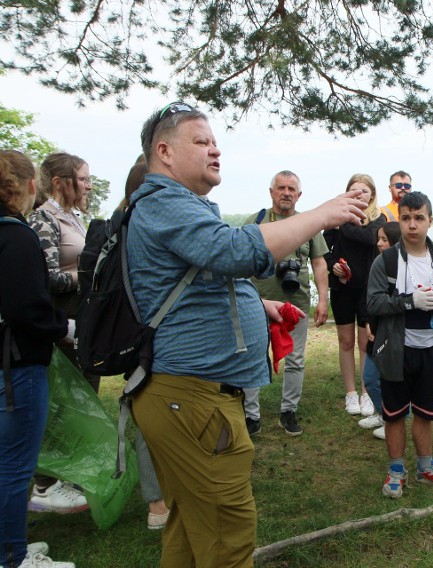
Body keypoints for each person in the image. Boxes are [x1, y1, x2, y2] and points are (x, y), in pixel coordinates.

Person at [127, 101, 365, 567]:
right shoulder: (164, 202)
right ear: (164, 151)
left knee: (191, 526)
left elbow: (198, 276)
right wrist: (321, 214)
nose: (216, 150)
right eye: (201, 141)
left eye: (215, 141)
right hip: (193, 398)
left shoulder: (177, 205)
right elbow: (235, 249)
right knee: (226, 535)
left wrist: (258, 303)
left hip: (185, 396)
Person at [1, 150, 75, 568]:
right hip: (18, 364)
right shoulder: (17, 234)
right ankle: (11, 556)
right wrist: (63, 328)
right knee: (15, 467)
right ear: (30, 185)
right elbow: (27, 307)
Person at [366, 191, 433, 499]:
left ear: (430, 221)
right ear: (400, 220)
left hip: (431, 350)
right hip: (396, 350)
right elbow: (373, 302)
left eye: (419, 218)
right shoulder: (387, 260)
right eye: (406, 218)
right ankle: (396, 470)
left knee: (425, 411)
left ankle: (425, 466)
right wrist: (409, 302)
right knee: (393, 413)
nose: (412, 225)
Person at [26, 152, 93, 515]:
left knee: (83, 400)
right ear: (59, 182)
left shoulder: (74, 218)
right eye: (82, 179)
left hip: (83, 317)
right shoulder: (43, 220)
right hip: (60, 323)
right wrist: (88, 277)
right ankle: (46, 483)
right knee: (62, 404)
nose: (88, 185)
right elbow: (46, 277)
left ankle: (73, 477)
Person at [242, 170, 330, 437]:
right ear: (271, 192)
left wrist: (323, 299)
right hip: (257, 302)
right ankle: (250, 415)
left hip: (297, 303)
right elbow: (240, 260)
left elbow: (319, 262)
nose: (286, 193)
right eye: (281, 187)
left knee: (296, 360)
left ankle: (288, 411)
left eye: (292, 189)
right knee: (253, 358)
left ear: (299, 195)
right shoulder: (255, 222)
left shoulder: (308, 224)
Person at [120, 155, 170, 530]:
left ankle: (160, 499)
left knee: (147, 413)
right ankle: (158, 504)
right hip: (149, 337)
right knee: (152, 419)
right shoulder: (141, 223)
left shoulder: (116, 222)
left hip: (130, 336)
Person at [324, 174, 386, 418]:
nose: (359, 193)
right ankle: (350, 393)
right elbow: (323, 250)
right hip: (342, 288)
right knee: (346, 342)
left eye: (364, 189)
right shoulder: (334, 220)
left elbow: (369, 238)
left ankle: (366, 392)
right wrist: (333, 266)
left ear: (372, 194)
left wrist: (344, 224)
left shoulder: (377, 219)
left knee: (365, 343)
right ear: (347, 191)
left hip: (368, 290)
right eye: (354, 189)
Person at [357, 222, 401, 440]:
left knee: (393, 380)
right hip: (374, 333)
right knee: (370, 377)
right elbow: (369, 299)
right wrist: (367, 324)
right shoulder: (377, 263)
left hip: (393, 336)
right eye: (379, 238)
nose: (379, 243)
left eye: (384, 239)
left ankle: (394, 419)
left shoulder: (401, 268)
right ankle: (382, 413)